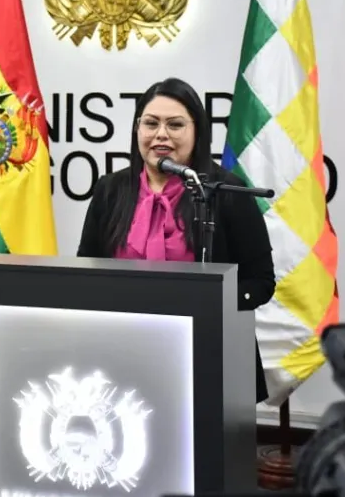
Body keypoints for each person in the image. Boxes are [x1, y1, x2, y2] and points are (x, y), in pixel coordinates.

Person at [77, 77, 276, 403]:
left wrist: (205, 303)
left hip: (206, 352)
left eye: (175, 125)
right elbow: (88, 269)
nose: (161, 135)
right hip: (122, 355)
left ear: (197, 131)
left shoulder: (225, 192)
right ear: (137, 129)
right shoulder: (110, 190)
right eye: (151, 123)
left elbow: (261, 282)